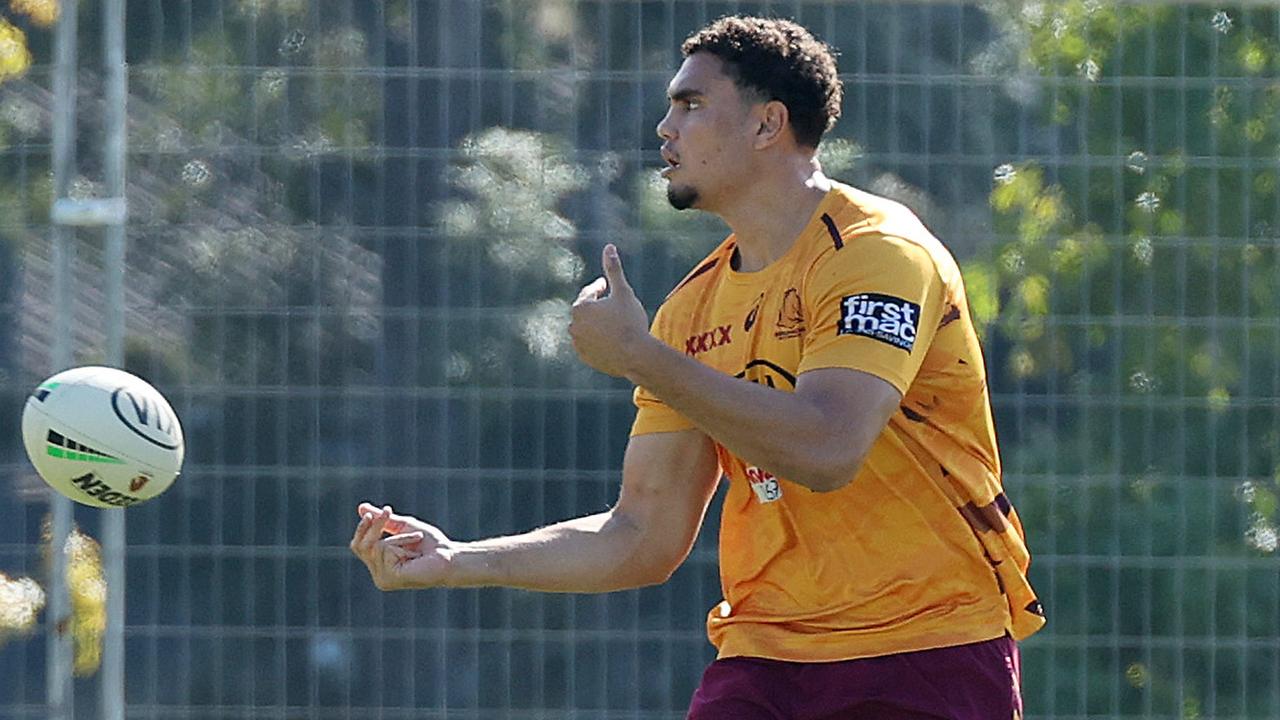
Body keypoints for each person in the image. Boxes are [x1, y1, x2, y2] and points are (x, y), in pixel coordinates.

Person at [351, 15, 1044, 719]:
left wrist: (639, 357)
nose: (665, 128)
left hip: (923, 650)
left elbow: (829, 447)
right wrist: (459, 559)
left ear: (768, 124)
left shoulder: (878, 253)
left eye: (691, 105)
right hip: (764, 659)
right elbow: (641, 536)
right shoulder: (689, 309)